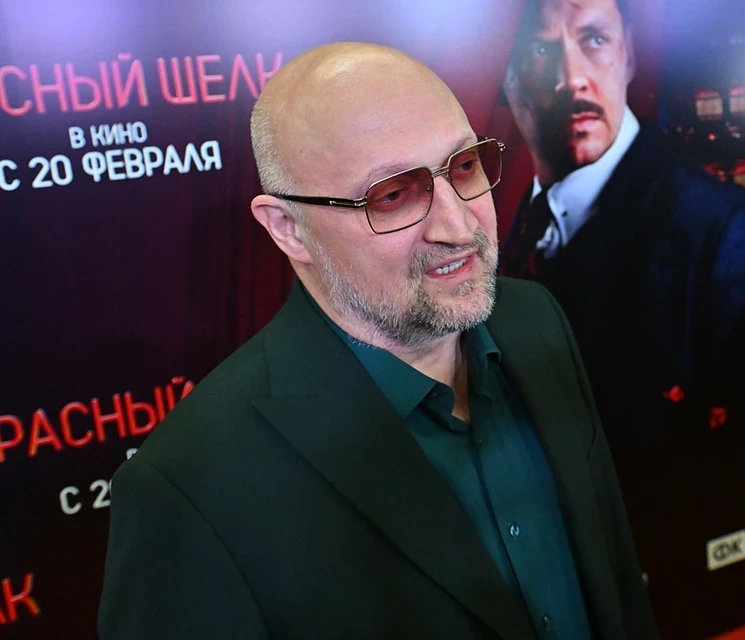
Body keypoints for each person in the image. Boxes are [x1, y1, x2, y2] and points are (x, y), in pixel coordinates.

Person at [98, 43, 659, 639]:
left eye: (464, 167)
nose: (459, 226)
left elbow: (614, 582)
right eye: (393, 195)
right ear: (288, 228)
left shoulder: (535, 319)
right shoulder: (190, 488)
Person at [500, 0, 745, 447]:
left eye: (595, 40)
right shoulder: (510, 221)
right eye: (540, 51)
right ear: (508, 80)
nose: (571, 78)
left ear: (629, 54)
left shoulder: (724, 231)